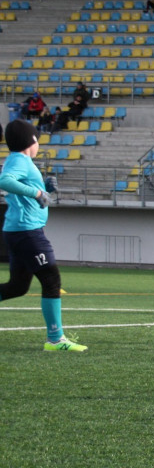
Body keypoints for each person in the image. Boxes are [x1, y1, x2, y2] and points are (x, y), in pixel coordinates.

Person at [0, 120, 86, 351]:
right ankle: (55, 339)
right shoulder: (20, 160)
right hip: (27, 232)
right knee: (51, 280)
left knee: (18, 287)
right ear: (32, 140)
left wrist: (44, 188)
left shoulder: (22, 161)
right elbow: (4, 181)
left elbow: (20, 190)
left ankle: (55, 338)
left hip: (20, 231)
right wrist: (37, 191)